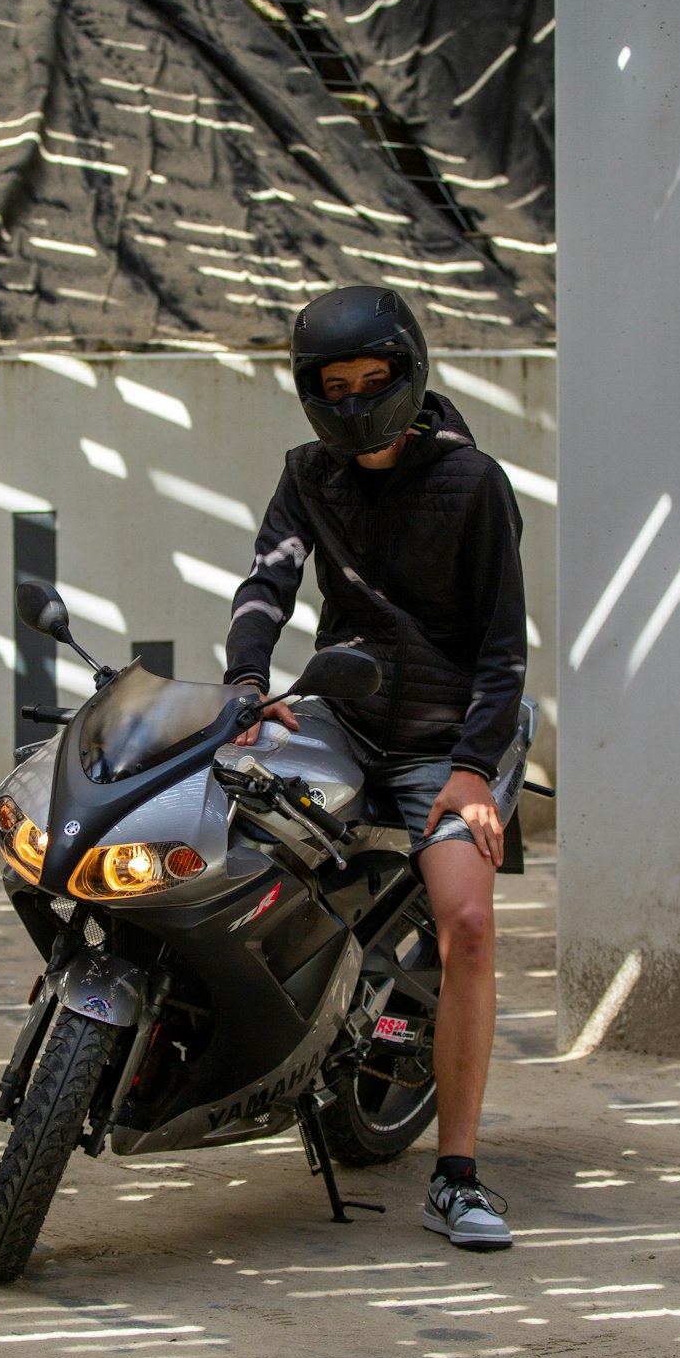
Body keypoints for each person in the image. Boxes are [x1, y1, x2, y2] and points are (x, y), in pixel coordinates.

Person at [223, 285, 527, 1251]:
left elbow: (504, 647)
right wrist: (246, 681)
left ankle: (458, 1175)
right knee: (232, 827)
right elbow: (268, 579)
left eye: (374, 380)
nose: (355, 403)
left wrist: (474, 771)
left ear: (409, 370)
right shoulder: (308, 474)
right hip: (342, 714)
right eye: (334, 385)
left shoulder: (472, 482)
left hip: (450, 737)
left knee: (469, 923)